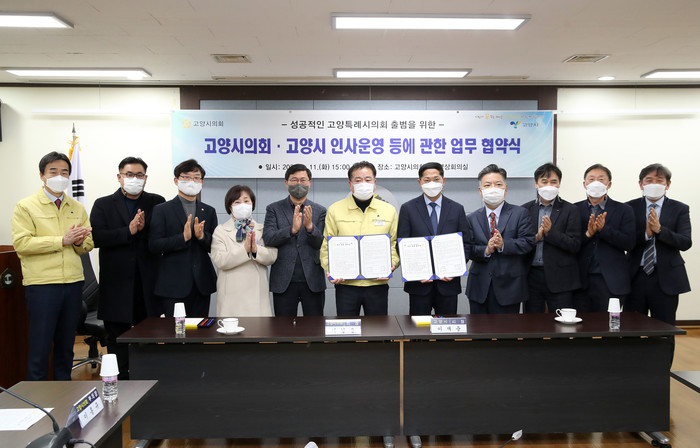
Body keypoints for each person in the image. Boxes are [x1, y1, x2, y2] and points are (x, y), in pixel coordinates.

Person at [11, 151, 94, 380]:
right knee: (40, 347)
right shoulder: (26, 206)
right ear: (42, 175)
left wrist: (78, 241)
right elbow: (22, 244)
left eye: (64, 172)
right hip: (42, 285)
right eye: (53, 171)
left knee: (66, 346)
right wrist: (61, 241)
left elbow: (88, 244)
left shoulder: (76, 207)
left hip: (73, 283)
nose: (60, 176)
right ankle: (36, 397)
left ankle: (64, 392)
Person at [90, 156, 165, 379]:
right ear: (119, 177)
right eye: (129, 174)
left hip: (147, 282)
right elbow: (96, 238)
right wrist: (128, 231)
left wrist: (142, 229)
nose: (134, 179)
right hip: (116, 283)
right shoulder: (103, 204)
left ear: (146, 178)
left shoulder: (157, 202)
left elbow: (160, 237)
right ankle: (120, 382)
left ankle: (148, 380)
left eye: (139, 175)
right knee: (117, 338)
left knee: (148, 335)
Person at [320, 161, 400, 316]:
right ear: (350, 185)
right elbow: (327, 245)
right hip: (346, 284)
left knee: (378, 328)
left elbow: (394, 243)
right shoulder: (335, 210)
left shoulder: (388, 210)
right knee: (347, 327)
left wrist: (392, 264)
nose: (363, 184)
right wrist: (331, 269)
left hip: (377, 283)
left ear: (375, 183)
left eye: (368, 179)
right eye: (358, 180)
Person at [397, 162, 470, 315]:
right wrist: (415, 272)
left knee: (447, 326)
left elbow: (466, 244)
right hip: (419, 285)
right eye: (427, 180)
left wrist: (455, 269)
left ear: (443, 181)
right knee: (418, 327)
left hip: (448, 284)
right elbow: (401, 245)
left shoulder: (457, 209)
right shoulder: (408, 208)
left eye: (436, 179)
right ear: (420, 182)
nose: (432, 183)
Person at [149, 159, 217, 317]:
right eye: (186, 177)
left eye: (196, 177)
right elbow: (154, 245)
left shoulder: (209, 211)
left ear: (202, 182)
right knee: (175, 329)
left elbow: (214, 246)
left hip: (201, 283)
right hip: (173, 283)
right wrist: (183, 238)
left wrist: (202, 236)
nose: (191, 181)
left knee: (200, 329)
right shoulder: (161, 210)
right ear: (176, 180)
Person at [626, 164, 691, 327]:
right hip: (635, 276)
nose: (654, 184)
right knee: (630, 328)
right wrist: (646, 234)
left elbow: (685, 242)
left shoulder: (680, 209)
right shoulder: (629, 207)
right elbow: (625, 241)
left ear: (667, 184)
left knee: (664, 329)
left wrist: (660, 230)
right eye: (649, 180)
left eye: (659, 180)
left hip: (666, 278)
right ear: (641, 184)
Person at [465, 164, 536, 314]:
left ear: (505, 188)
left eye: (498, 184)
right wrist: (486, 250)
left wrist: (504, 245)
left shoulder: (520, 213)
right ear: (480, 191)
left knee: (508, 329)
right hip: (479, 287)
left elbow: (528, 242)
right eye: (487, 185)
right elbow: (468, 249)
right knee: (478, 328)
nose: (493, 189)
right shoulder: (471, 218)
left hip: (510, 287)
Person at [263, 164, 327, 316]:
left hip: (312, 279)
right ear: (286, 183)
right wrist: (291, 230)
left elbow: (321, 244)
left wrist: (310, 228)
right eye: (294, 180)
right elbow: (268, 239)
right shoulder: (273, 209)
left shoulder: (320, 211)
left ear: (309, 183)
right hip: (283, 280)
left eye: (303, 180)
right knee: (283, 327)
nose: (299, 184)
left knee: (314, 327)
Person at [574, 164, 635, 312]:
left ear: (609, 184)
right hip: (580, 280)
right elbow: (571, 243)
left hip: (611, 281)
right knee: (580, 324)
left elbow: (629, 243)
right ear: (584, 184)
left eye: (601, 179)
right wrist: (588, 234)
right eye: (591, 179)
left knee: (609, 323)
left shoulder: (624, 210)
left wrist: (604, 230)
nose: (596, 183)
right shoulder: (574, 209)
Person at [522, 163, 581, 313]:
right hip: (531, 276)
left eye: (553, 182)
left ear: (559, 184)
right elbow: (520, 243)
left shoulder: (571, 210)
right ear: (536, 184)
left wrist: (550, 233)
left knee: (561, 322)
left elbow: (575, 244)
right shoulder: (525, 210)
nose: (549, 185)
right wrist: (535, 238)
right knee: (532, 322)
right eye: (544, 181)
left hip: (561, 279)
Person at [212, 185, 278, 316]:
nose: (242, 205)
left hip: (257, 296)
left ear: (252, 204)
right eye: (237, 202)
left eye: (246, 201)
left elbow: (272, 256)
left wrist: (256, 250)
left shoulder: (262, 229)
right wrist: (244, 250)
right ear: (230, 207)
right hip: (231, 296)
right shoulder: (221, 230)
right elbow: (219, 260)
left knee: (259, 328)